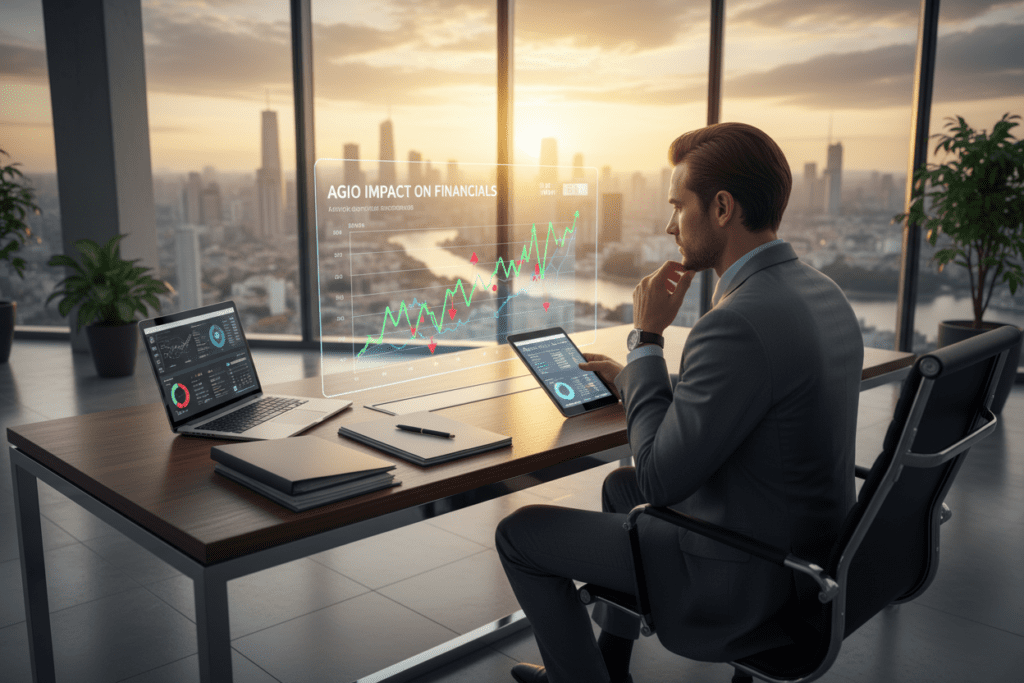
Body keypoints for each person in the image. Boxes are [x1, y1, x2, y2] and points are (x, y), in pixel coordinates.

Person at [496, 122, 864, 683]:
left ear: (721, 207)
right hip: (811, 556)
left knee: (521, 535)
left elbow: (659, 481)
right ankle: (609, 662)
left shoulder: (736, 322)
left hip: (746, 578)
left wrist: (646, 341)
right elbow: (744, 409)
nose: (670, 225)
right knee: (615, 489)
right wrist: (634, 380)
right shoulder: (820, 291)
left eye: (677, 205)